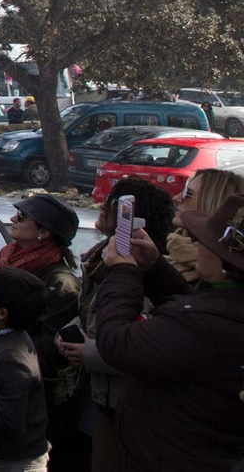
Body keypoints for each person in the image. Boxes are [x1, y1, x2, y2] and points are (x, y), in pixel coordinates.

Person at [90, 192, 244, 471]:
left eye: (204, 242)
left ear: (226, 265)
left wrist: (124, 272)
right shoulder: (222, 309)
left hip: (176, 458)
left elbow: (117, 342)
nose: (197, 246)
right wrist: (154, 267)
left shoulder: (204, 324)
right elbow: (194, 313)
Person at [55, 178, 175, 472]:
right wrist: (69, 331)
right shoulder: (102, 258)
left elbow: (145, 345)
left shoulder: (143, 271)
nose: (103, 207)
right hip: (92, 397)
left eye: (113, 203)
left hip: (125, 403)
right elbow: (91, 312)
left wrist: (87, 352)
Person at [0, 194, 81, 467]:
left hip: (34, 405)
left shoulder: (61, 283)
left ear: (44, 233)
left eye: (22, 217)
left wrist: (2, 358)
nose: (13, 219)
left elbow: (51, 352)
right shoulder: (6, 259)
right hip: (1, 391)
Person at [0, 268, 49, 472]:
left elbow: (10, 422)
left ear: (2, 313)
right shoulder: (2, 336)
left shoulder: (10, 357)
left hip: (15, 461)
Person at [165, 167, 244, 284]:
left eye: (187, 193)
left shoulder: (214, 272)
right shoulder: (173, 253)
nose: (176, 198)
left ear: (212, 203)